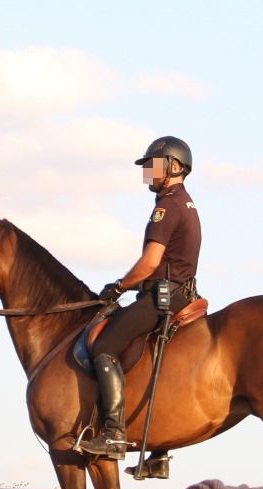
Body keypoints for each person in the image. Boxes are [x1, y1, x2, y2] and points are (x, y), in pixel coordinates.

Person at [75, 135, 202, 459]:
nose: (147, 172)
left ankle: (115, 434)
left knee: (104, 347)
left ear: (173, 166)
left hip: (163, 297)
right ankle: (159, 452)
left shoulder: (167, 206)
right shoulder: (185, 202)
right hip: (183, 294)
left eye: (152, 165)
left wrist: (118, 287)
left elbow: (149, 263)